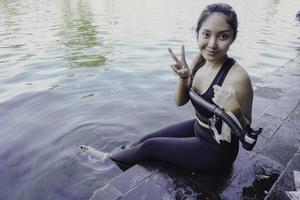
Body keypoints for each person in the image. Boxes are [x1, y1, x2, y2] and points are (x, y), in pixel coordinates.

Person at [81, 3, 253, 172]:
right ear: (198, 34)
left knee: (150, 146)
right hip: (199, 128)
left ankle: (107, 161)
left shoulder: (238, 78)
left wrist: (235, 111)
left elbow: (248, 141)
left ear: (233, 38)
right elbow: (179, 102)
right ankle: (120, 156)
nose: (212, 44)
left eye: (223, 36)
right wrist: (184, 78)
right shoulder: (200, 60)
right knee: (145, 139)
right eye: (206, 34)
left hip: (217, 151)